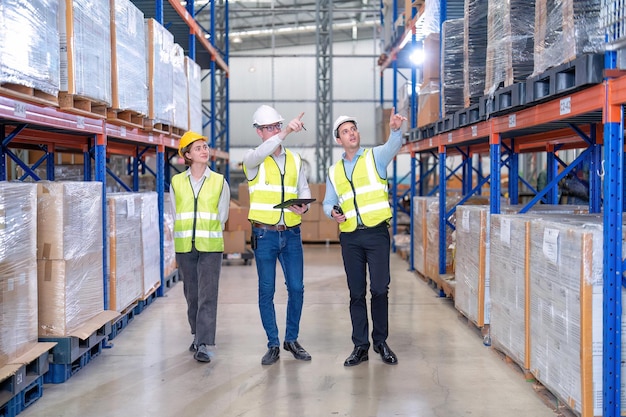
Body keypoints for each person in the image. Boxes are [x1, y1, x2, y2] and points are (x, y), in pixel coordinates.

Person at [323, 108, 406, 367]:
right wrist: (332, 213)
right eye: (345, 132)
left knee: (380, 289)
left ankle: (380, 341)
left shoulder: (374, 157)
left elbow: (394, 145)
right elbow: (328, 202)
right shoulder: (334, 171)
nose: (352, 134)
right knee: (356, 293)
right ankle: (361, 346)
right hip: (350, 237)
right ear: (339, 140)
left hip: (377, 233)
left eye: (353, 129)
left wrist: (395, 130)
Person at [243, 105, 312, 366]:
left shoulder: (295, 160)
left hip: (291, 233)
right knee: (266, 290)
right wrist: (284, 133)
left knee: (296, 288)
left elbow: (303, 189)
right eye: (268, 128)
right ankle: (273, 343)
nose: (272, 132)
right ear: (259, 132)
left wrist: (304, 204)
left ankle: (291, 339)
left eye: (276, 126)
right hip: (265, 235)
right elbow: (263, 151)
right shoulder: (253, 159)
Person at [169, 131, 230, 363]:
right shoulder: (177, 182)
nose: (204, 151)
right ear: (187, 155)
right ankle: (196, 334)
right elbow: (176, 213)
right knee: (191, 295)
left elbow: (222, 214)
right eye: (198, 148)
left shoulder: (218, 181)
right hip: (185, 246)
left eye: (205, 147)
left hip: (210, 245)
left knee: (207, 295)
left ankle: (204, 343)